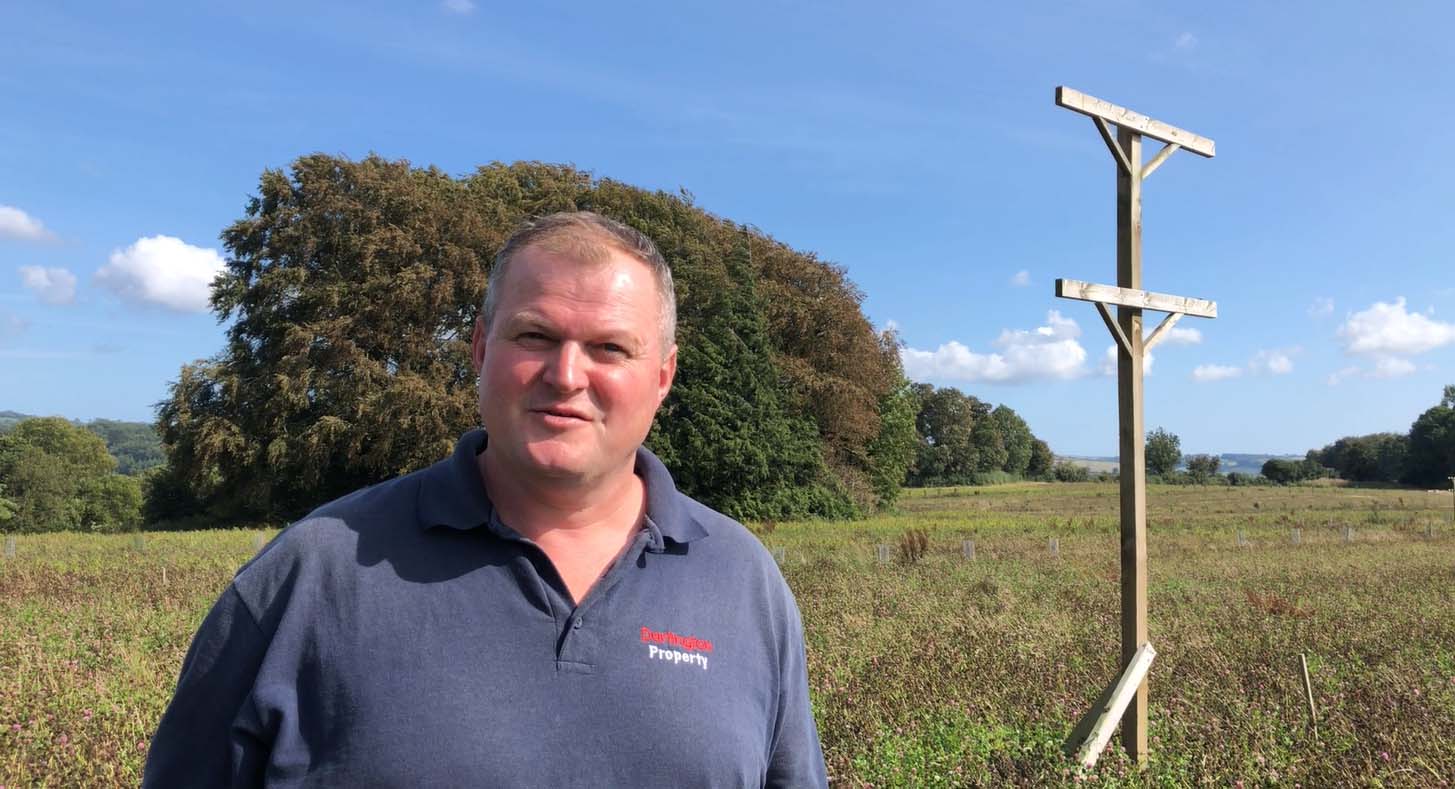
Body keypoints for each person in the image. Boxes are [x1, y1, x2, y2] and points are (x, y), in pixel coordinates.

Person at [143, 211, 828, 788]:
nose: (565, 375)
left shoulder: (743, 582)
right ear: (478, 346)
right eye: (534, 335)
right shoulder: (312, 573)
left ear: (661, 374)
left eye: (609, 347)